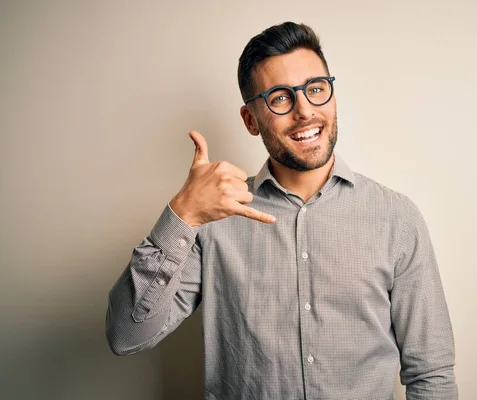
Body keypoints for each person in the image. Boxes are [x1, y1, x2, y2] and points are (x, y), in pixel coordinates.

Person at [106, 21, 458, 400]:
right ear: (250, 120)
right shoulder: (213, 223)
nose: (305, 111)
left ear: (333, 95)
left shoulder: (397, 219)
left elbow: (431, 373)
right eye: (280, 97)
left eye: (316, 89)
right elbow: (127, 337)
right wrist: (181, 215)